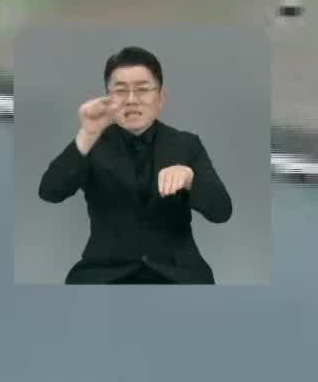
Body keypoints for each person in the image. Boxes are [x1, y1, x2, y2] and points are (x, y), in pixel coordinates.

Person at [37, 45, 233, 284]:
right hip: (105, 273)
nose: (131, 100)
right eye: (120, 91)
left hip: (178, 273)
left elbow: (222, 211)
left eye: (142, 90)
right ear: (108, 99)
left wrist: (190, 179)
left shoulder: (186, 145)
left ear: (160, 98)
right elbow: (50, 191)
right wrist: (87, 134)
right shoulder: (92, 143)